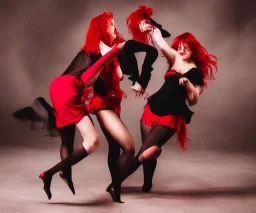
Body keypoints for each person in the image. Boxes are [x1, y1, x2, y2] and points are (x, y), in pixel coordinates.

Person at [119, 4, 218, 193]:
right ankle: (147, 183)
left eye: (185, 48)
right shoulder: (175, 59)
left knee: (145, 152)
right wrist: (149, 26)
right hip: (152, 109)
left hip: (171, 116)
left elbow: (194, 99)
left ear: (192, 49)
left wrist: (188, 84)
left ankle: (115, 184)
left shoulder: (195, 72)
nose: (181, 50)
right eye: (179, 47)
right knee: (148, 153)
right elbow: (159, 41)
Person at [38, 12, 126, 200]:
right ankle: (51, 173)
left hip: (58, 87)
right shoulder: (99, 46)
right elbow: (117, 73)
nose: (115, 27)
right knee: (93, 142)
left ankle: (66, 174)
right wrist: (119, 45)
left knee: (67, 139)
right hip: (69, 89)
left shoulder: (89, 49)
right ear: (102, 29)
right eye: (111, 24)